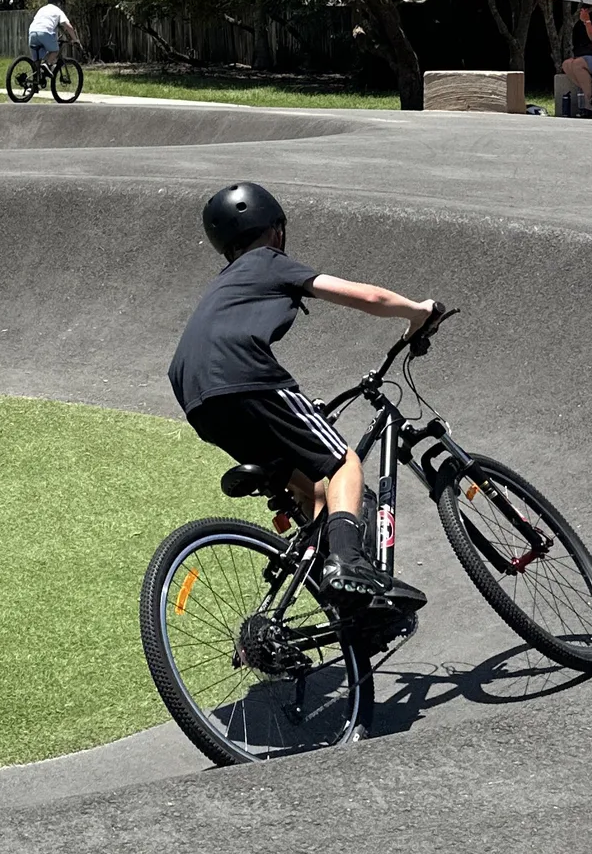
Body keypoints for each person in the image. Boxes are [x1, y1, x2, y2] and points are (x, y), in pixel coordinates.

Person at [169, 182, 437, 598]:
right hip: (243, 376)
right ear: (275, 230)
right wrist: (418, 312)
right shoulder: (267, 261)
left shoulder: (224, 284)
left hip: (196, 399)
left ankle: (346, 601)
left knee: (312, 489)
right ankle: (347, 562)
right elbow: (368, 296)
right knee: (343, 464)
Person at [27, 0, 78, 78]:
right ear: (59, 2)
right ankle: (47, 64)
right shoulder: (58, 11)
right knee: (55, 51)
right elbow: (68, 26)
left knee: (37, 60)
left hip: (32, 32)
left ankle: (35, 81)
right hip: (45, 32)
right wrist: (75, 39)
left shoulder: (42, 9)